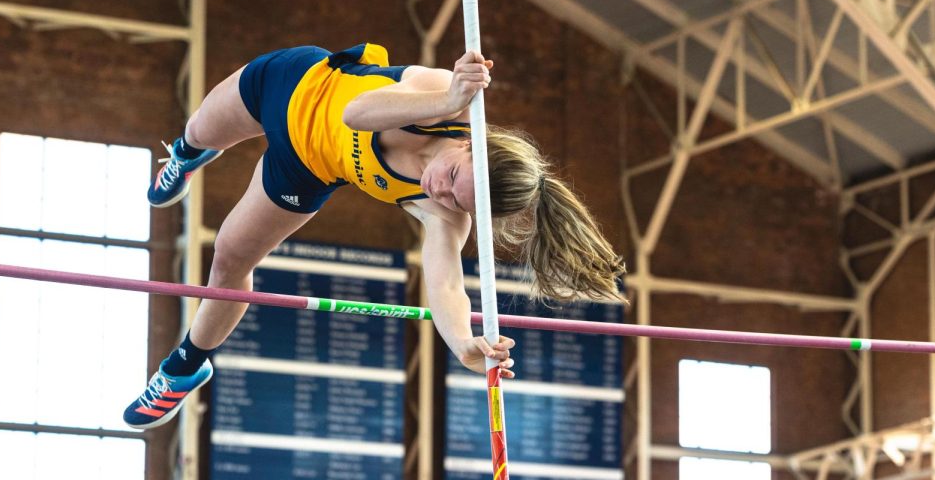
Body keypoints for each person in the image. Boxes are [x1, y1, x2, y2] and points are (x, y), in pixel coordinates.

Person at [123, 42, 624, 430]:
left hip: (302, 168)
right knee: (199, 131)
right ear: (471, 144)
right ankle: (187, 156)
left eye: (456, 201)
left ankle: (184, 367)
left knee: (230, 259)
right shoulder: (444, 100)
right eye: (451, 179)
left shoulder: (449, 214)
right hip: (292, 80)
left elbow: (447, 283)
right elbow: (355, 114)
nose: (440, 193)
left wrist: (462, 343)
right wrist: (449, 96)